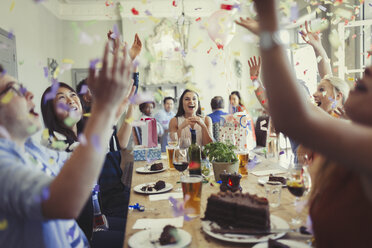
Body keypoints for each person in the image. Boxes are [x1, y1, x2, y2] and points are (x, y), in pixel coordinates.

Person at [237, 1, 372, 247]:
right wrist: (317, 49)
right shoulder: (348, 131)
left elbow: (292, 113)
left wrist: (269, 25)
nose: (368, 70)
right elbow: (303, 98)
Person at [0, 40, 133, 247]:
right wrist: (105, 110)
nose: (29, 94)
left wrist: (112, 115)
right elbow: (63, 201)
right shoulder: (7, 161)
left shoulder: (32, 150)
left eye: (72, 95)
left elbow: (87, 161)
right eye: (12, 89)